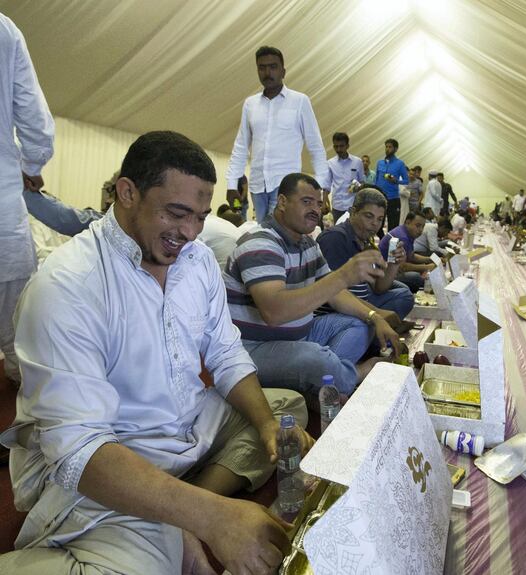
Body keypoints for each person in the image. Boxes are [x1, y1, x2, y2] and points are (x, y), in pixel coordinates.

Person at [0, 131, 312, 575]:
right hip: (109, 452)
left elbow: (225, 353)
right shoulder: (67, 285)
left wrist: (265, 430)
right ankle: (166, 521)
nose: (189, 232)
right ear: (127, 193)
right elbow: (79, 451)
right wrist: (215, 518)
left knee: (284, 412)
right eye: (176, 213)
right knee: (152, 565)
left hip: (186, 423)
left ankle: (178, 505)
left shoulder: (198, 261)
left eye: (201, 217)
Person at [224, 173, 398, 401]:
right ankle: (353, 374)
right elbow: (274, 312)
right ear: (283, 202)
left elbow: (336, 295)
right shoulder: (261, 242)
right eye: (306, 202)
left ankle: (320, 382)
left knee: (361, 324)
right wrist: (343, 275)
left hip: (301, 337)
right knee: (314, 358)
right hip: (255, 347)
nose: (316, 209)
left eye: (318, 203)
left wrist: (375, 317)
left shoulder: (306, 243)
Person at [0, 14, 55, 385]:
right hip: (2, 204)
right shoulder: (5, 31)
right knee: (17, 335)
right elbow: (35, 122)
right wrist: (31, 163)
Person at [226, 46, 326, 223]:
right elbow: (241, 146)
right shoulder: (250, 104)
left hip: (286, 186)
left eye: (273, 67)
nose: (267, 72)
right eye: (262, 67)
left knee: (279, 234)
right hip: (258, 185)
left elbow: (315, 146)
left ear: (283, 71)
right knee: (263, 231)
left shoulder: (300, 101)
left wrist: (322, 188)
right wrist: (231, 184)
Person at [317, 188, 414, 322]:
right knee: (357, 327)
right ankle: (372, 331)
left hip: (361, 302)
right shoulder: (336, 238)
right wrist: (374, 314)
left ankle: (373, 330)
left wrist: (394, 264)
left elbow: (378, 288)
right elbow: (334, 294)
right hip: (337, 312)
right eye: (369, 216)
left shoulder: (367, 240)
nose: (375, 224)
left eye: (380, 219)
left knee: (404, 294)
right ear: (353, 212)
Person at [379, 211, 438, 293]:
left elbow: (411, 256)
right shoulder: (403, 237)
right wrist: (427, 267)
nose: (421, 230)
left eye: (422, 227)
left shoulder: (405, 232)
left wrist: (430, 259)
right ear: (408, 222)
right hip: (385, 274)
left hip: (390, 269)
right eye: (418, 226)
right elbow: (402, 267)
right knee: (416, 278)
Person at [322, 132, 364, 222]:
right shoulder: (330, 163)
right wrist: (323, 203)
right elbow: (326, 186)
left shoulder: (357, 162)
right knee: (338, 232)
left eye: (341, 146)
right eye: (336, 146)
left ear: (347, 146)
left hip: (353, 206)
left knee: (353, 232)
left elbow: (362, 182)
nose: (339, 149)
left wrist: (358, 187)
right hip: (337, 206)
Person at [373, 138, 408, 230]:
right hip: (380, 199)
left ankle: (390, 243)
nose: (387, 149)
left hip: (393, 199)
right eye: (386, 147)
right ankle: (381, 242)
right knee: (377, 225)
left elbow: (406, 180)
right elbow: (376, 180)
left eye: (390, 147)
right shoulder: (379, 163)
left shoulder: (400, 164)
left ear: (396, 149)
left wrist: (396, 181)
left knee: (393, 226)